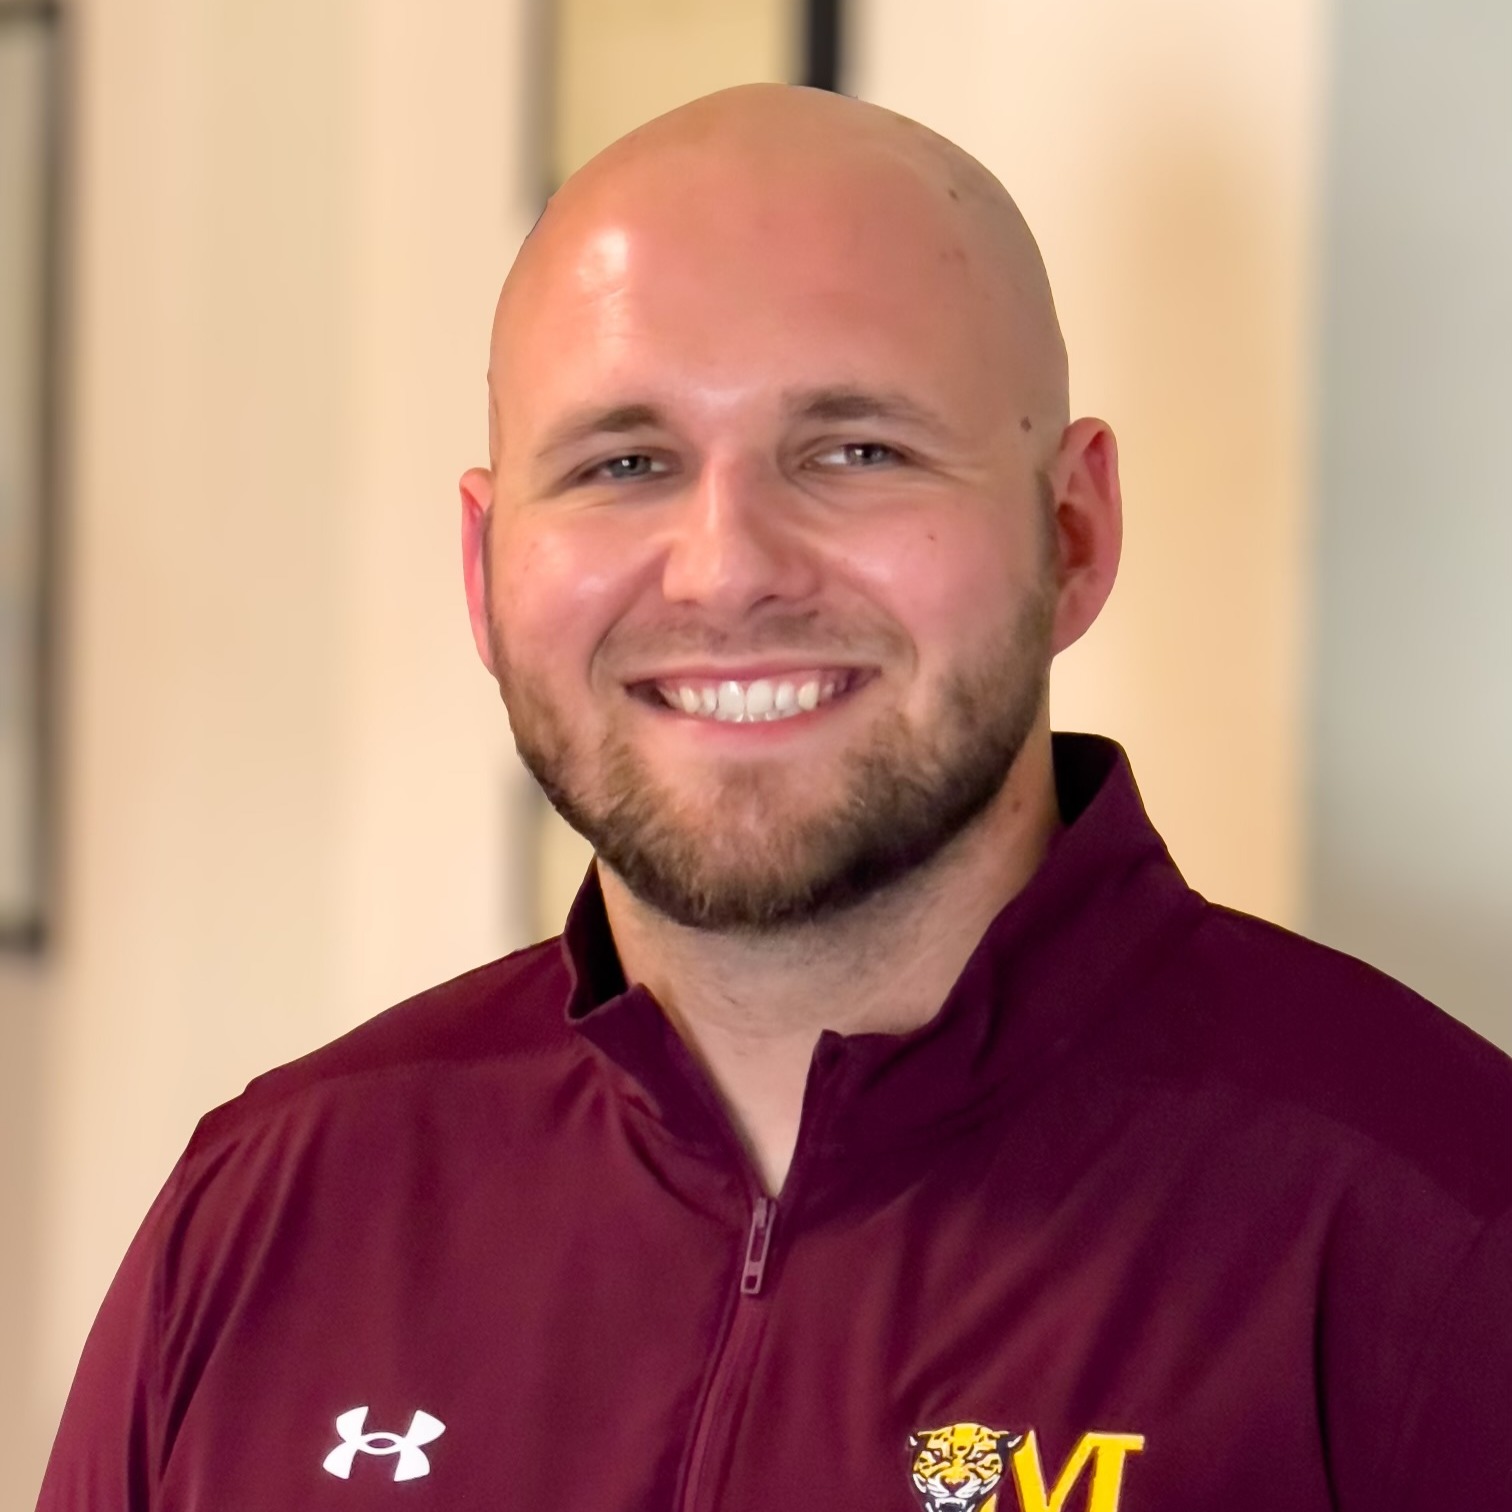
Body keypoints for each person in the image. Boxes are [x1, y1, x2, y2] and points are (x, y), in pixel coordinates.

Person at [38, 84, 1512, 1512]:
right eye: (624, 463)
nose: (727, 565)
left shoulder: (1439, 1232)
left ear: (1072, 530)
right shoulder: (267, 1223)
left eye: (856, 451)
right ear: (485, 569)